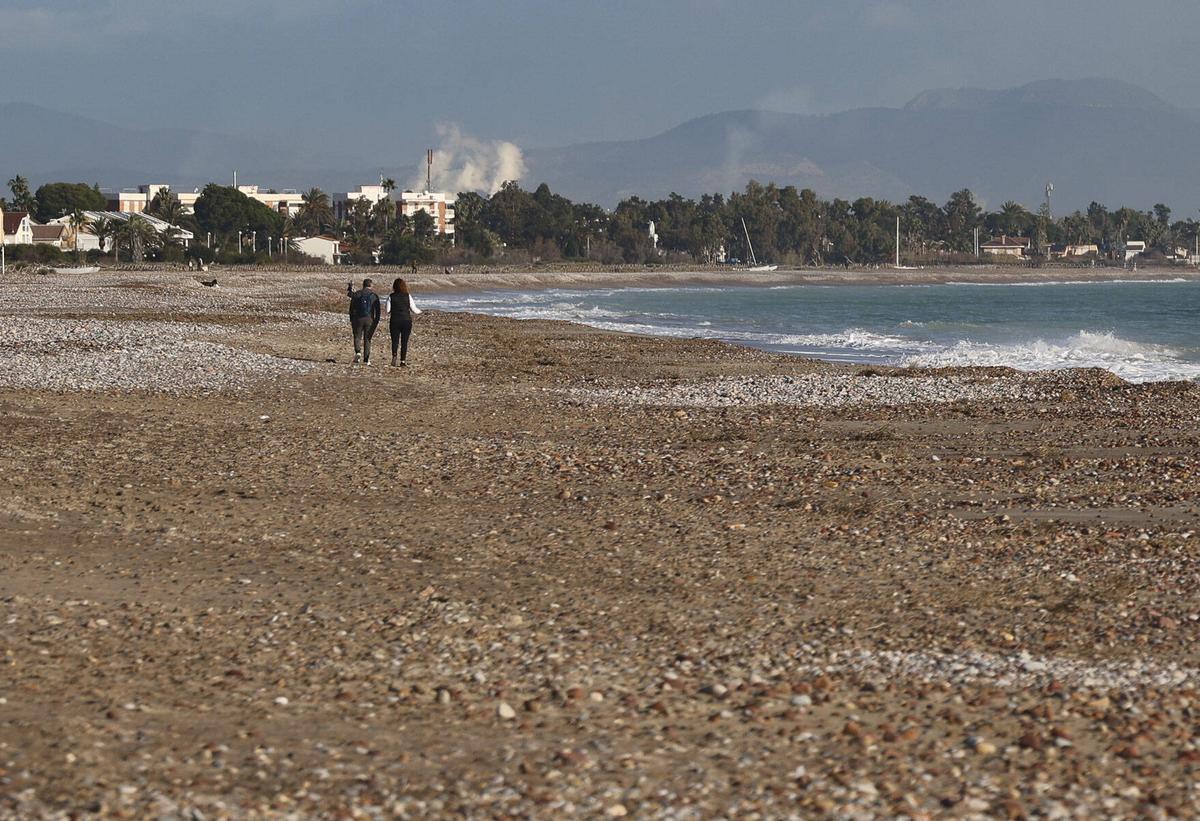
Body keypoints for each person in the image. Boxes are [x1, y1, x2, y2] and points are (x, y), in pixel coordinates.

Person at [388, 278, 422, 367]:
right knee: (404, 341)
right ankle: (402, 361)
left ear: (394, 286)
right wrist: (422, 312)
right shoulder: (408, 296)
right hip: (406, 321)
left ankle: (394, 356)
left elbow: (387, 310)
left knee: (394, 340)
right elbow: (414, 309)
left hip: (395, 320)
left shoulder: (391, 296)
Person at [347, 278, 380, 365]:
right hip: (369, 319)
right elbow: (378, 310)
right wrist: (376, 321)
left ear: (363, 285)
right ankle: (366, 359)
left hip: (358, 319)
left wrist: (351, 318)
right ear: (371, 285)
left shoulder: (357, 294)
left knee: (357, 336)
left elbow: (351, 306)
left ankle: (358, 352)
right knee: (367, 339)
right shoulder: (374, 295)